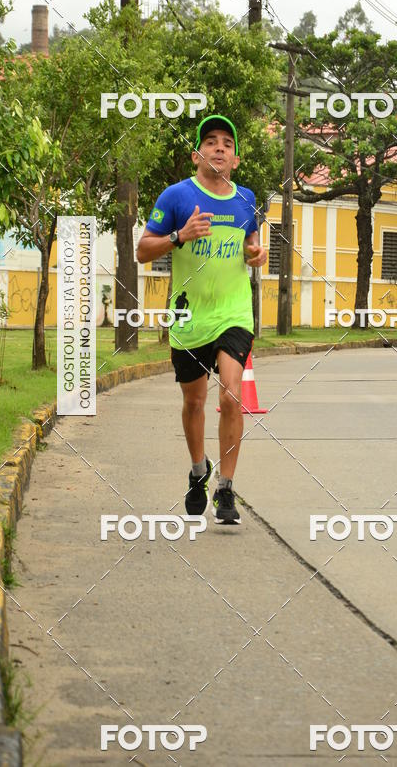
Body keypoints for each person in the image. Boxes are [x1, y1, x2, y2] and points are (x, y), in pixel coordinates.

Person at [136, 115, 267, 525]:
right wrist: (179, 236)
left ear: (236, 159)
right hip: (189, 315)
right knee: (194, 401)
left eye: (227, 143)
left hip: (234, 311)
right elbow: (143, 250)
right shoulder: (175, 197)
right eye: (210, 142)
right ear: (197, 155)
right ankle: (198, 470)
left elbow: (252, 245)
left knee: (231, 396)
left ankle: (225, 487)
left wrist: (255, 254)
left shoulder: (247, 200)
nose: (219, 148)